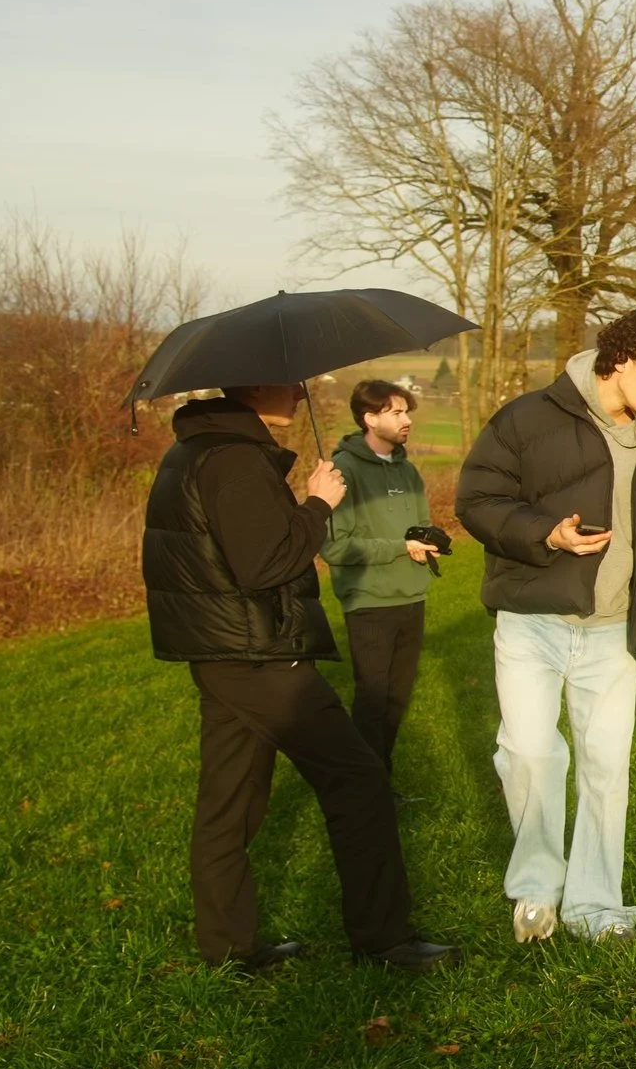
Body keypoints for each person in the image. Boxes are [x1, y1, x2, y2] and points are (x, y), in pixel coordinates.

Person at [140, 382, 456, 973]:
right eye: (289, 384)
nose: (299, 392)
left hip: (220, 652)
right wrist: (317, 504)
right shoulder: (234, 460)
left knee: (230, 802)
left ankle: (229, 949)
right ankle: (383, 940)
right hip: (258, 651)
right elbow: (266, 562)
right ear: (256, 385)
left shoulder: (195, 448)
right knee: (359, 780)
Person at [457, 309, 636, 946]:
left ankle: (595, 907)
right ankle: (537, 889)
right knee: (528, 754)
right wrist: (545, 533)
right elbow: (477, 500)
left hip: (614, 631)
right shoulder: (526, 419)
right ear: (621, 360)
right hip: (531, 622)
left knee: (605, 768)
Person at [323, 378, 441, 783]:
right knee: (372, 703)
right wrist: (400, 546)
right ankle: (363, 790)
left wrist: (427, 542)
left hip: (412, 596)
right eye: (396, 413)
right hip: (369, 601)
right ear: (369, 418)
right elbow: (336, 547)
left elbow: (419, 525)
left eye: (407, 412)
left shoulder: (407, 470)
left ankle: (379, 781)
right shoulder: (344, 470)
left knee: (396, 699)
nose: (407, 420)